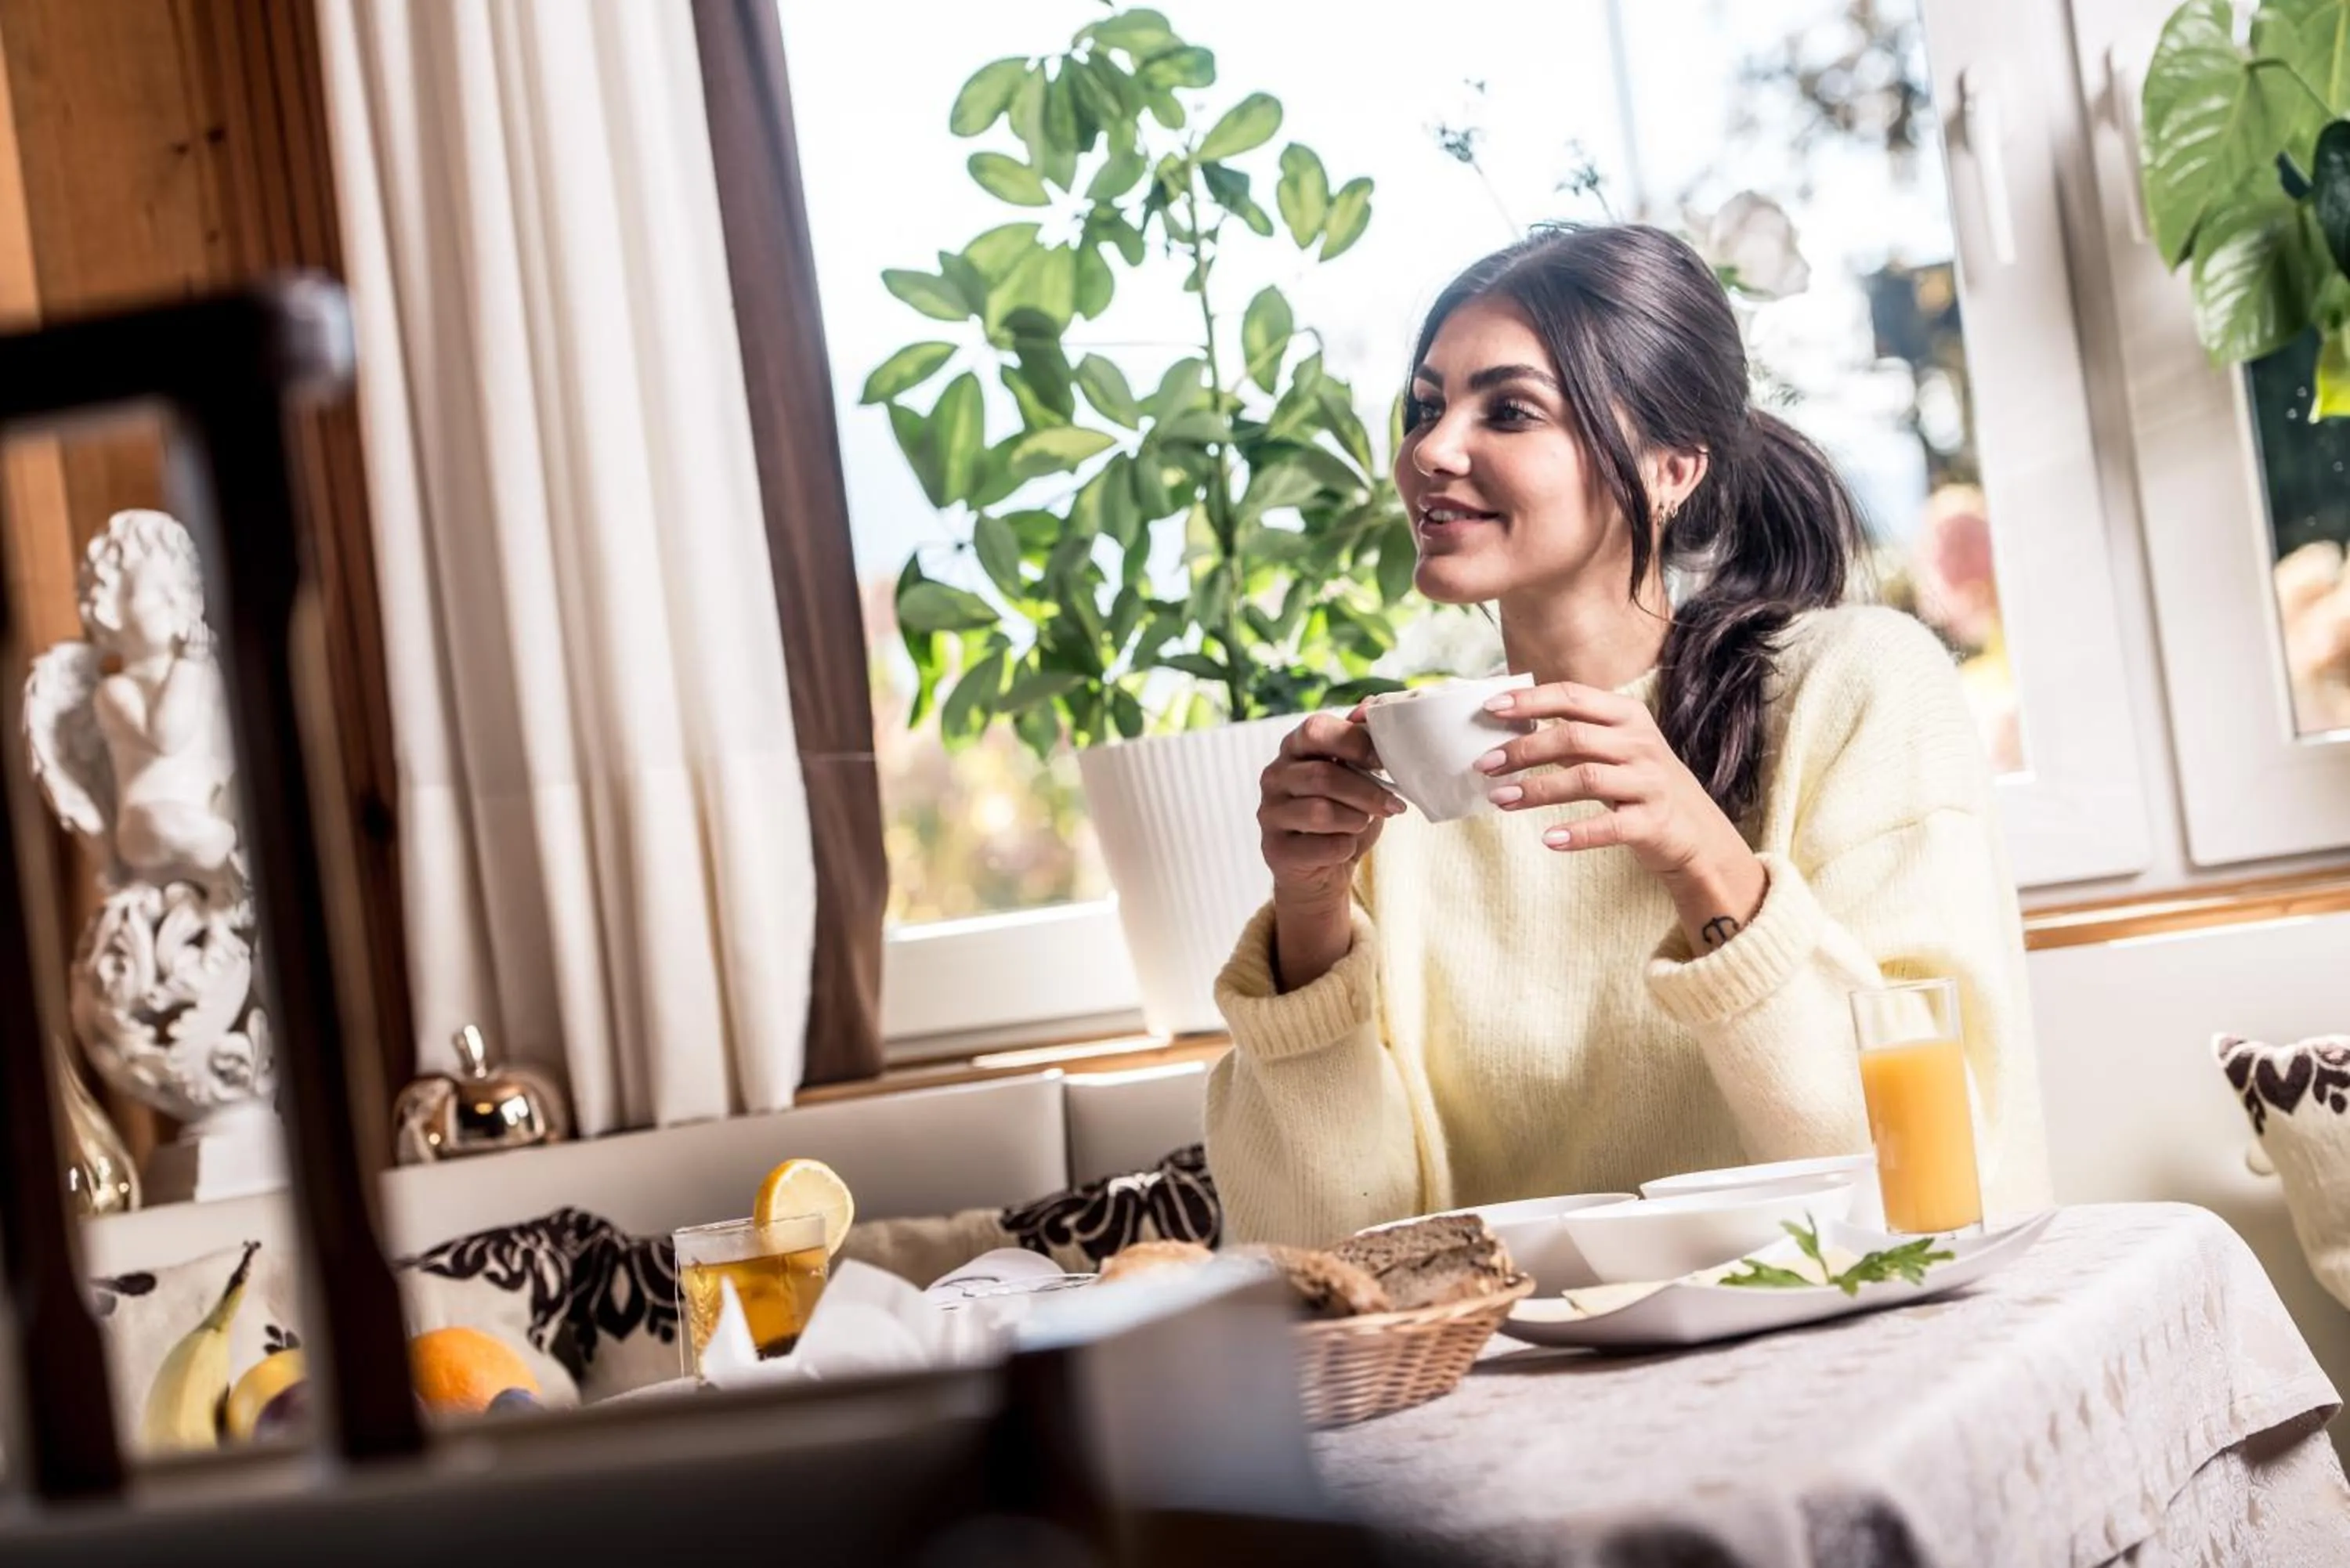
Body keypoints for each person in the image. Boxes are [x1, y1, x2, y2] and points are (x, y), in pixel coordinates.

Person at [1205, 224, 2050, 1247]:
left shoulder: (1853, 686)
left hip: (1863, 1357)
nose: (1430, 450)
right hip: (1524, 1388)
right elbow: (1324, 1248)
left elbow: (1936, 1178)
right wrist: (1309, 916)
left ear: (1671, 467)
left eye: (1508, 410)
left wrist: (1704, 859)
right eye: (1425, 408)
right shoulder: (1413, 785)